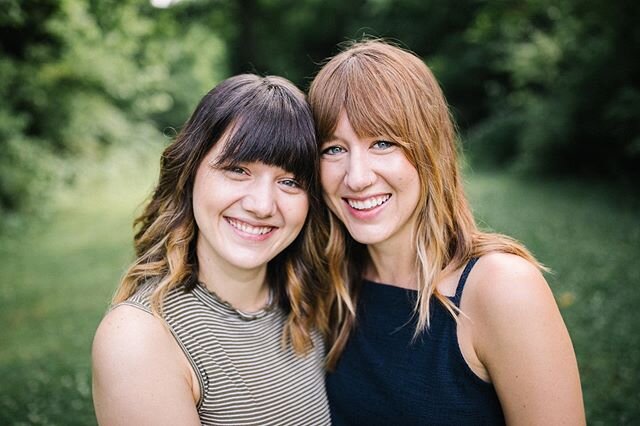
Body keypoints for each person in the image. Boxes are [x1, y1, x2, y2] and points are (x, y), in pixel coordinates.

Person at [309, 40, 585, 425]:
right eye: (333, 149)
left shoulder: (502, 288)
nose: (357, 177)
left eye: (383, 143)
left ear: (429, 149)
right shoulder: (328, 285)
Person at [92, 74, 332, 425]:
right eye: (238, 170)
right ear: (190, 174)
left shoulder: (310, 303)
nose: (262, 205)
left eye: (289, 181)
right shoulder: (141, 339)